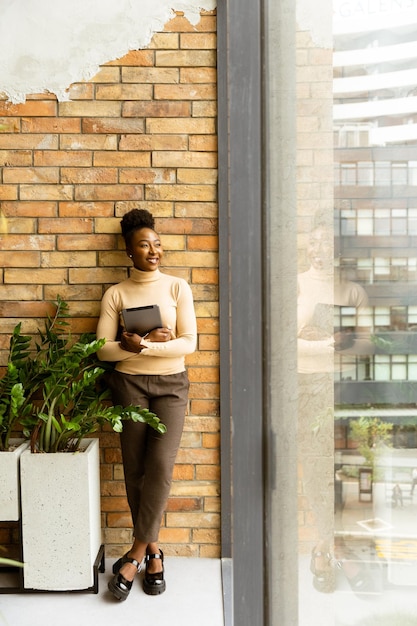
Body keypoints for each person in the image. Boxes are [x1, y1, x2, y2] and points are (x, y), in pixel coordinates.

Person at [96, 208, 197, 601]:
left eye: (157, 243)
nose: (154, 250)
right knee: (135, 467)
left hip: (172, 385)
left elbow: (189, 343)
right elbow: (102, 351)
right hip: (128, 384)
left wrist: (148, 345)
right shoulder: (116, 294)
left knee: (159, 465)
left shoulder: (177, 287)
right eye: (144, 244)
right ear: (129, 251)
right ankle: (155, 553)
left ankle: (136, 552)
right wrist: (126, 344)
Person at [298, 217, 373, 594]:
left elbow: (365, 345)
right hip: (308, 389)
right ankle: (337, 546)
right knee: (315, 472)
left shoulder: (353, 291)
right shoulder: (297, 285)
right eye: (314, 243)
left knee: (345, 471)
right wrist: (329, 343)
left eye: (326, 244)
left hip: (344, 391)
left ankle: (324, 547)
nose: (319, 250)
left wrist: (323, 338)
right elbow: (284, 342)